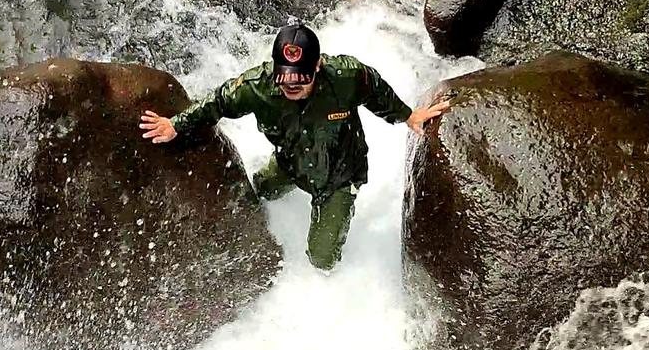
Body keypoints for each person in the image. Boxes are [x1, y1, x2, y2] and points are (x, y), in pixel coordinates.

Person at [139, 23, 450, 271]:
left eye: (300, 80)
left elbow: (377, 91)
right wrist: (176, 124)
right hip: (290, 163)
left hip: (339, 178)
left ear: (317, 66)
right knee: (261, 191)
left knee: (322, 259)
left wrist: (409, 116)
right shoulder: (257, 87)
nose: (291, 88)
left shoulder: (347, 77)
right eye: (285, 80)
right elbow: (217, 102)